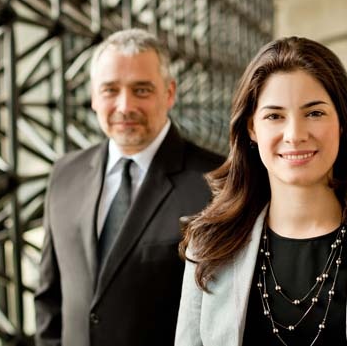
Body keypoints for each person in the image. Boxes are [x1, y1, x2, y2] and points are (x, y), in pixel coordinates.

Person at [175, 36, 347, 346]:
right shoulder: (209, 246)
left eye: (314, 113)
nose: (295, 135)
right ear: (252, 128)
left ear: (342, 123)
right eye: (274, 116)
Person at [34, 29, 224, 346]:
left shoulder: (218, 181)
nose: (125, 106)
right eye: (110, 90)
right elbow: (50, 297)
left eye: (142, 90)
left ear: (170, 93)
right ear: (94, 97)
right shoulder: (65, 174)